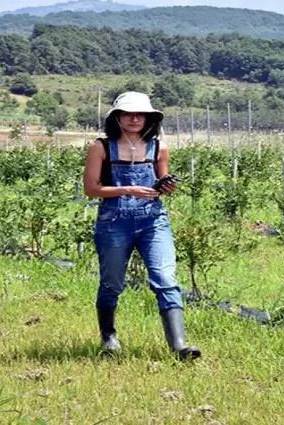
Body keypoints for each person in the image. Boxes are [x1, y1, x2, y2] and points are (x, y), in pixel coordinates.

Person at [83, 91, 201, 360]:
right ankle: (109, 337)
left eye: (140, 114)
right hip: (114, 221)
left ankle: (179, 346)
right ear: (117, 117)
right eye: (128, 113)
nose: (135, 118)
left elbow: (160, 185)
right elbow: (91, 189)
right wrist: (128, 189)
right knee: (112, 282)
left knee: (166, 279)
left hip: (153, 221)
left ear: (150, 118)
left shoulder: (159, 147)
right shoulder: (101, 147)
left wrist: (165, 186)